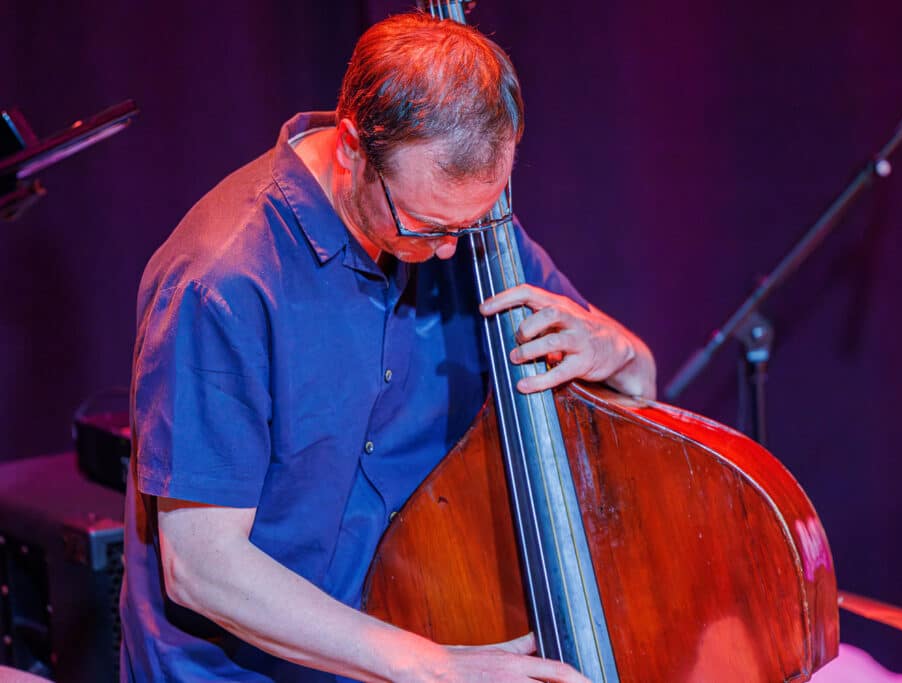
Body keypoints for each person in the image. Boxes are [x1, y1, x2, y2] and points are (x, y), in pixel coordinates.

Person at [120, 12, 655, 683]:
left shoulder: (459, 226)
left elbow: (639, 377)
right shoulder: (223, 281)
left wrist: (617, 351)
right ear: (350, 147)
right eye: (430, 226)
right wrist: (428, 666)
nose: (453, 251)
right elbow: (201, 565)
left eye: (476, 220)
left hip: (406, 643)